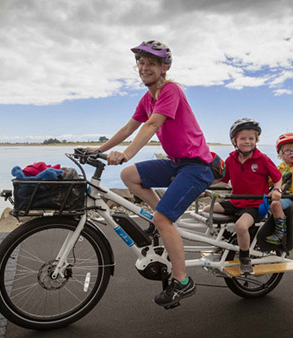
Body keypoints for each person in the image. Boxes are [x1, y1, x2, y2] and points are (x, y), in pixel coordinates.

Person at [93, 40, 215, 307]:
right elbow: (128, 128)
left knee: (162, 218)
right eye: (141, 62)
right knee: (129, 176)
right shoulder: (147, 98)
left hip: (197, 167)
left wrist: (127, 153)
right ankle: (164, 219)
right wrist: (98, 149)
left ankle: (183, 281)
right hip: (176, 163)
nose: (144, 67)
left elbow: (152, 124)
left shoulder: (171, 90)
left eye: (151, 63)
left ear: (164, 67)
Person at [202, 118, 282, 275]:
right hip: (235, 202)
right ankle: (227, 238)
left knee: (241, 226)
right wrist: (202, 183)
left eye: (251, 138)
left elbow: (278, 177)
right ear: (234, 141)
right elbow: (222, 180)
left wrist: (277, 191)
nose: (247, 141)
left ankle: (245, 258)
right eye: (243, 138)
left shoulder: (262, 159)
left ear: (256, 140)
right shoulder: (231, 159)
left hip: (255, 205)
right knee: (206, 210)